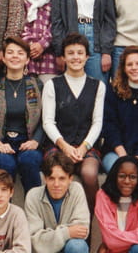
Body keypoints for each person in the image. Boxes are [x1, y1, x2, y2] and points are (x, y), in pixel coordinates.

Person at [42, 33, 106, 213]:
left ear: (87, 56)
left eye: (80, 53)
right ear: (63, 57)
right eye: (70, 53)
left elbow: (97, 122)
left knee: (89, 174)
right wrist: (65, 147)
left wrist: (84, 147)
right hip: (58, 145)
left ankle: (90, 222)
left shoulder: (98, 86)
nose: (75, 57)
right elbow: (48, 122)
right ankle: (57, 219)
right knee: (57, 173)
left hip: (87, 146)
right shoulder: (52, 85)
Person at [0, 36, 44, 195]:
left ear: (27, 59)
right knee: (5, 163)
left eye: (20, 53)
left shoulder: (37, 85)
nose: (15, 56)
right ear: (3, 57)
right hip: (0, 143)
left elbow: (45, 120)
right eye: (10, 52)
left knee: (29, 160)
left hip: (27, 143)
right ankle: (4, 207)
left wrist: (35, 141)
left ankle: (34, 206)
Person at [101, 46, 138, 209]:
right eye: (130, 64)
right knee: (120, 173)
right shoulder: (113, 92)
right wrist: (123, 155)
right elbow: (109, 126)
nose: (134, 68)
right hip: (115, 151)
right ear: (123, 68)